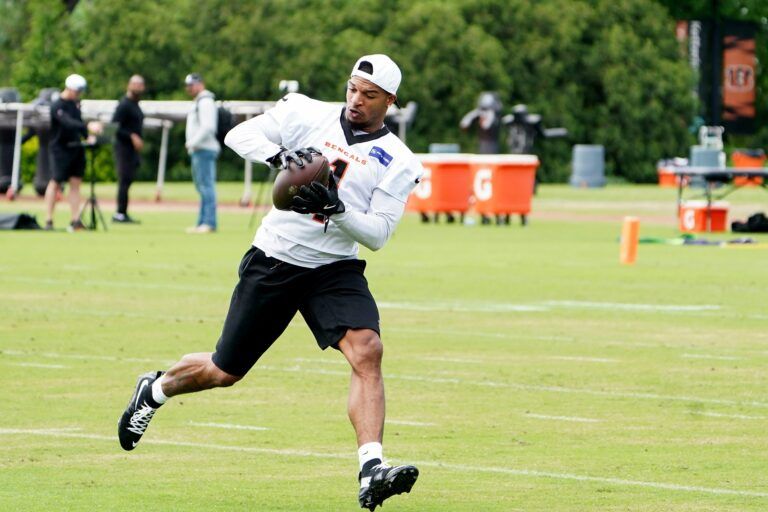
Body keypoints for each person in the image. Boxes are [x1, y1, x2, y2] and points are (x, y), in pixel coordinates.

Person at [117, 54, 423, 510]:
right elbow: (238, 133)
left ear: (391, 101)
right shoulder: (306, 112)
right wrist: (281, 157)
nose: (356, 100)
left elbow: (377, 234)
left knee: (367, 349)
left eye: (370, 95)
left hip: (333, 268)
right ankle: (156, 389)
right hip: (276, 258)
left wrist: (338, 209)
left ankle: (371, 469)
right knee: (223, 370)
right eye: (353, 89)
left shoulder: (398, 159)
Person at [44, 74, 102, 232]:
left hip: (76, 148)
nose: (78, 94)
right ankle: (48, 220)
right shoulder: (57, 106)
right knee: (55, 182)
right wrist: (88, 127)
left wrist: (88, 136)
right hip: (60, 149)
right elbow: (68, 123)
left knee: (75, 184)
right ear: (69, 88)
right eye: (77, 91)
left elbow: (79, 125)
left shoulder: (75, 105)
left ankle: (75, 220)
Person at [184, 73, 219, 233]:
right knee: (202, 187)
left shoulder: (205, 101)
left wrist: (192, 142)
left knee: (206, 186)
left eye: (192, 85)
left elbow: (208, 127)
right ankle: (202, 221)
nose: (189, 88)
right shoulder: (199, 101)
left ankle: (209, 222)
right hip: (199, 150)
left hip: (204, 149)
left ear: (200, 84)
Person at [111, 75, 145, 224]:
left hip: (132, 151)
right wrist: (131, 136)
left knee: (128, 180)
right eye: (135, 84)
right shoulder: (124, 105)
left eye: (140, 84)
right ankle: (120, 213)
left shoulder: (136, 104)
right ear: (129, 85)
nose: (138, 86)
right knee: (124, 180)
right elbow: (114, 126)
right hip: (123, 148)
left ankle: (123, 211)